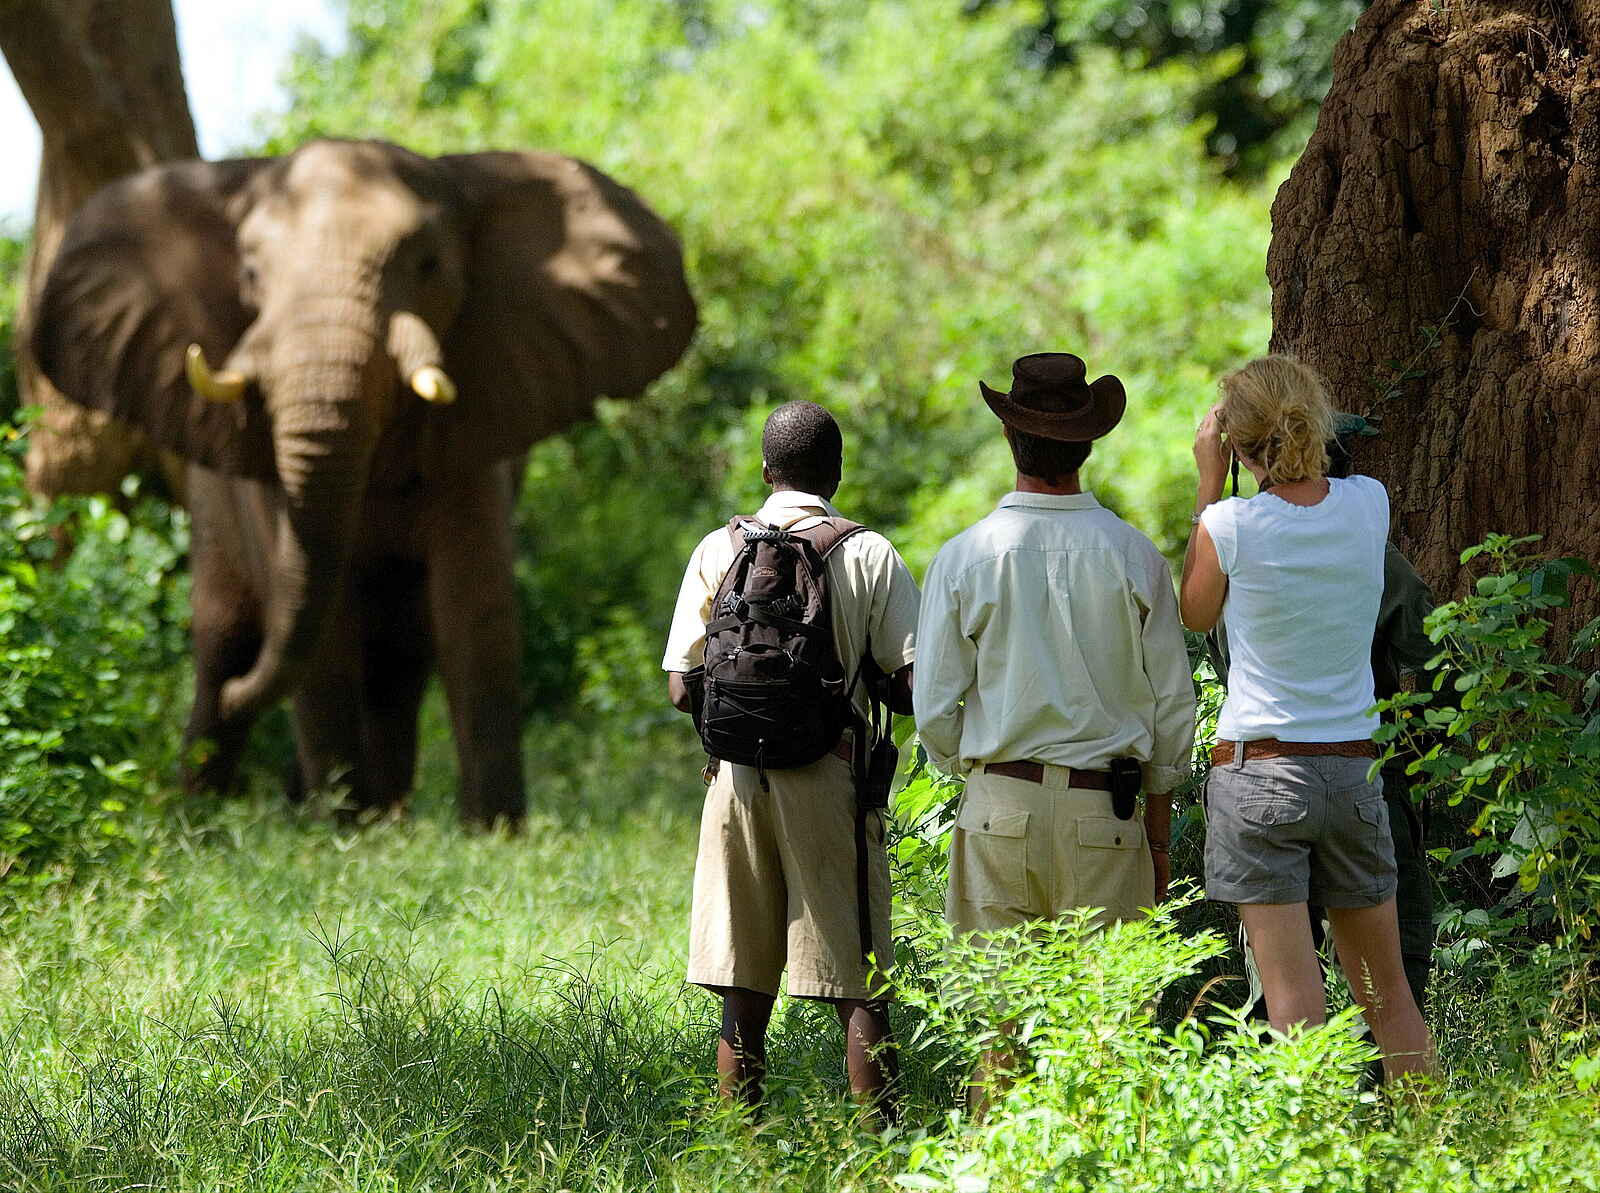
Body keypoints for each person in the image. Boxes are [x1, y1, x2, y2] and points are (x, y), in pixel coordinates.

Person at [915, 353, 1196, 1103]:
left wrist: (969, 772)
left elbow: (935, 707)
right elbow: (1174, 705)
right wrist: (1158, 825)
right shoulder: (1134, 553)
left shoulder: (964, 555)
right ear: (1089, 445)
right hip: (1106, 815)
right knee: (1108, 1038)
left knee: (996, 1037)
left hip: (997, 805)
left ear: (1012, 441)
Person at [1180, 354, 1438, 1084]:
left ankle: (1314, 1163)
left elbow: (1196, 615)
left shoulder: (1228, 523)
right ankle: (1432, 1154)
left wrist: (1207, 484)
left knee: (1296, 1005)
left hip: (1259, 772)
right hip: (1354, 767)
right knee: (1389, 1001)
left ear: (1236, 442)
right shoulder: (1370, 504)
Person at [663, 400, 920, 1118]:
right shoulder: (867, 550)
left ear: (766, 470)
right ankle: (882, 1142)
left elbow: (683, 687)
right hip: (829, 775)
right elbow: (910, 685)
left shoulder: (719, 548)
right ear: (835, 472)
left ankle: (740, 1143)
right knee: (860, 976)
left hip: (735, 781)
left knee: (743, 988)